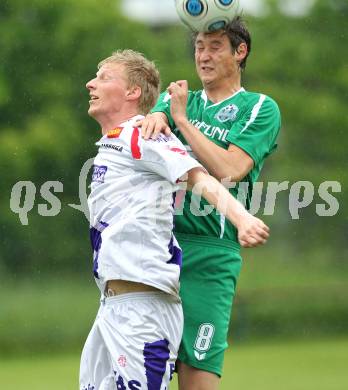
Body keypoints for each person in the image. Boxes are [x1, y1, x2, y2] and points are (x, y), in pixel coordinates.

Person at [80, 49, 269, 390]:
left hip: (143, 309)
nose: (91, 83)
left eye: (104, 77)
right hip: (111, 306)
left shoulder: (143, 134)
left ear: (132, 92)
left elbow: (200, 178)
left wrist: (242, 219)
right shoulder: (112, 144)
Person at [137, 16, 281, 390]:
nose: (203, 55)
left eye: (215, 46)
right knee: (138, 372)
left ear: (240, 52)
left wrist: (183, 122)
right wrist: (156, 113)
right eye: (199, 46)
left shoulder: (259, 107)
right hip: (157, 249)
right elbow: (144, 138)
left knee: (198, 376)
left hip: (211, 256)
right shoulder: (175, 98)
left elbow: (231, 170)